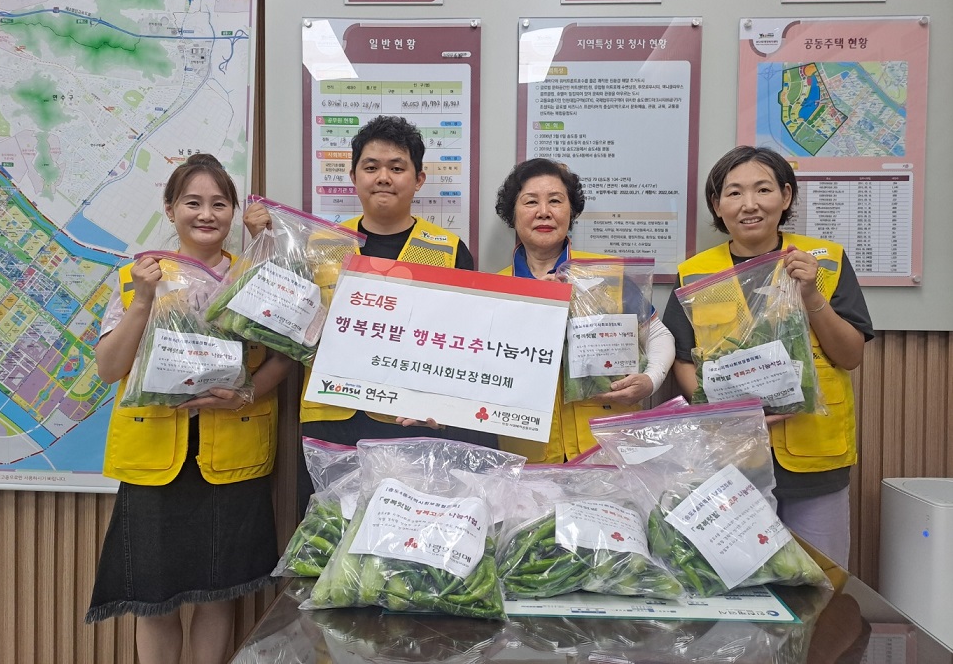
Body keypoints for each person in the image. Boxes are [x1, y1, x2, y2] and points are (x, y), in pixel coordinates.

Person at [85, 154, 293, 664]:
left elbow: (286, 356)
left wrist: (245, 393)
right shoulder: (139, 276)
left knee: (215, 595)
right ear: (170, 209)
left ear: (234, 213)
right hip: (157, 458)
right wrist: (143, 300)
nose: (206, 214)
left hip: (232, 452)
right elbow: (110, 369)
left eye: (219, 203)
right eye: (192, 202)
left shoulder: (256, 278)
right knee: (153, 602)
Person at [662, 145, 874, 568]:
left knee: (823, 582)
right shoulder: (696, 272)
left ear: (786, 197)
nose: (750, 204)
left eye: (763, 190)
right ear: (717, 205)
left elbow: (850, 355)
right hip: (733, 457)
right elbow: (682, 361)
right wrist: (724, 410)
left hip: (815, 458)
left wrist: (811, 293)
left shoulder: (825, 260)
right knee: (744, 581)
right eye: (734, 193)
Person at [248, 116, 493, 451]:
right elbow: (289, 330)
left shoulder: (449, 250)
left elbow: (464, 344)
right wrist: (263, 248)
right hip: (330, 416)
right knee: (329, 507)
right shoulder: (316, 244)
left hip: (412, 418)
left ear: (418, 179)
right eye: (371, 167)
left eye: (396, 167)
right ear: (353, 176)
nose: (383, 178)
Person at [493, 158, 676, 463]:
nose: (544, 212)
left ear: (572, 211)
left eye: (555, 200)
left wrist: (651, 380)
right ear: (512, 213)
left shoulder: (607, 275)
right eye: (530, 202)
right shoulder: (492, 289)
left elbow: (658, 333)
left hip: (608, 452)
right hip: (526, 457)